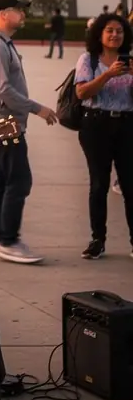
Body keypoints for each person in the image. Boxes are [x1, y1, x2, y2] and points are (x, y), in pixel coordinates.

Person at [0, 0, 58, 265]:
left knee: (2, 179)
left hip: (2, 122)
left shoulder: (0, 43)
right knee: (19, 180)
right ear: (2, 13)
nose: (23, 15)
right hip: (2, 124)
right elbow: (2, 90)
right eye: (18, 11)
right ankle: (8, 240)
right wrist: (37, 108)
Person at [73, 13, 133, 259]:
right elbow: (81, 92)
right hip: (96, 125)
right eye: (109, 30)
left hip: (128, 125)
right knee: (99, 184)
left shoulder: (130, 60)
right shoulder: (88, 59)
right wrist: (108, 74)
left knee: (130, 185)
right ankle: (98, 239)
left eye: (119, 31)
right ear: (99, 34)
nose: (114, 35)